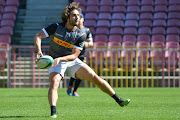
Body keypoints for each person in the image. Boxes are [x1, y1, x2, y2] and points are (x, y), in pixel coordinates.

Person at [34, 2, 130, 119]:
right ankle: (53, 112)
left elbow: (74, 56)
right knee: (55, 82)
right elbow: (38, 36)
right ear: (68, 16)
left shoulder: (80, 34)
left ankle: (118, 100)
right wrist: (39, 51)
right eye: (74, 15)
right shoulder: (56, 27)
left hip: (70, 60)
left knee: (95, 77)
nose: (77, 18)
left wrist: (60, 59)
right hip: (55, 62)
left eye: (78, 16)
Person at [67, 13, 93, 97]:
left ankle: (75, 91)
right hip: (73, 54)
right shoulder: (73, 30)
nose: (78, 19)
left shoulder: (86, 30)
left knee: (81, 73)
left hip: (82, 55)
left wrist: (87, 44)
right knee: (74, 73)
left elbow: (91, 42)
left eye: (80, 18)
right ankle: (70, 86)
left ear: (83, 19)